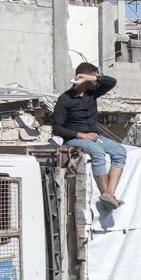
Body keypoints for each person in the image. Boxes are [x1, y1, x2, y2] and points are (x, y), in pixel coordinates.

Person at [52, 62, 126, 209]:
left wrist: (89, 78)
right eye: (94, 77)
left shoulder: (92, 93)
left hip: (94, 137)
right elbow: (56, 129)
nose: (96, 82)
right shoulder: (64, 99)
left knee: (119, 151)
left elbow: (111, 82)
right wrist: (81, 135)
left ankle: (109, 194)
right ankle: (105, 193)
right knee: (97, 151)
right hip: (74, 139)